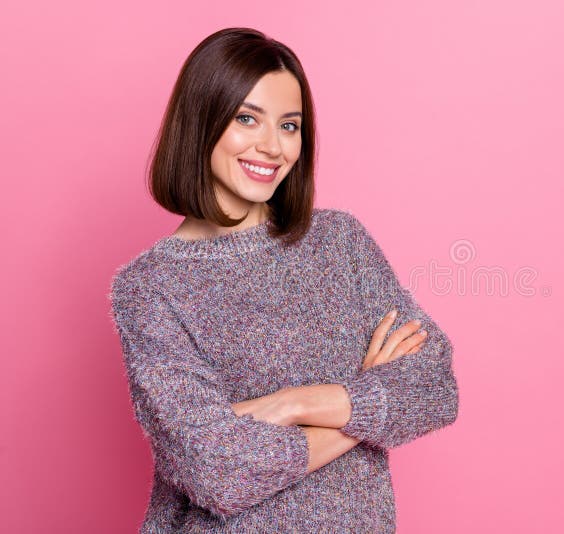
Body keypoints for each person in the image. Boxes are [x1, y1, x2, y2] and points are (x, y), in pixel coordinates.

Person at [107, 27, 459, 532]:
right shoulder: (152, 287)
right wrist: (363, 403)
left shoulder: (340, 243)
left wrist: (293, 404)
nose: (272, 146)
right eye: (247, 119)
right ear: (201, 121)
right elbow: (217, 471)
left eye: (289, 126)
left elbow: (435, 388)